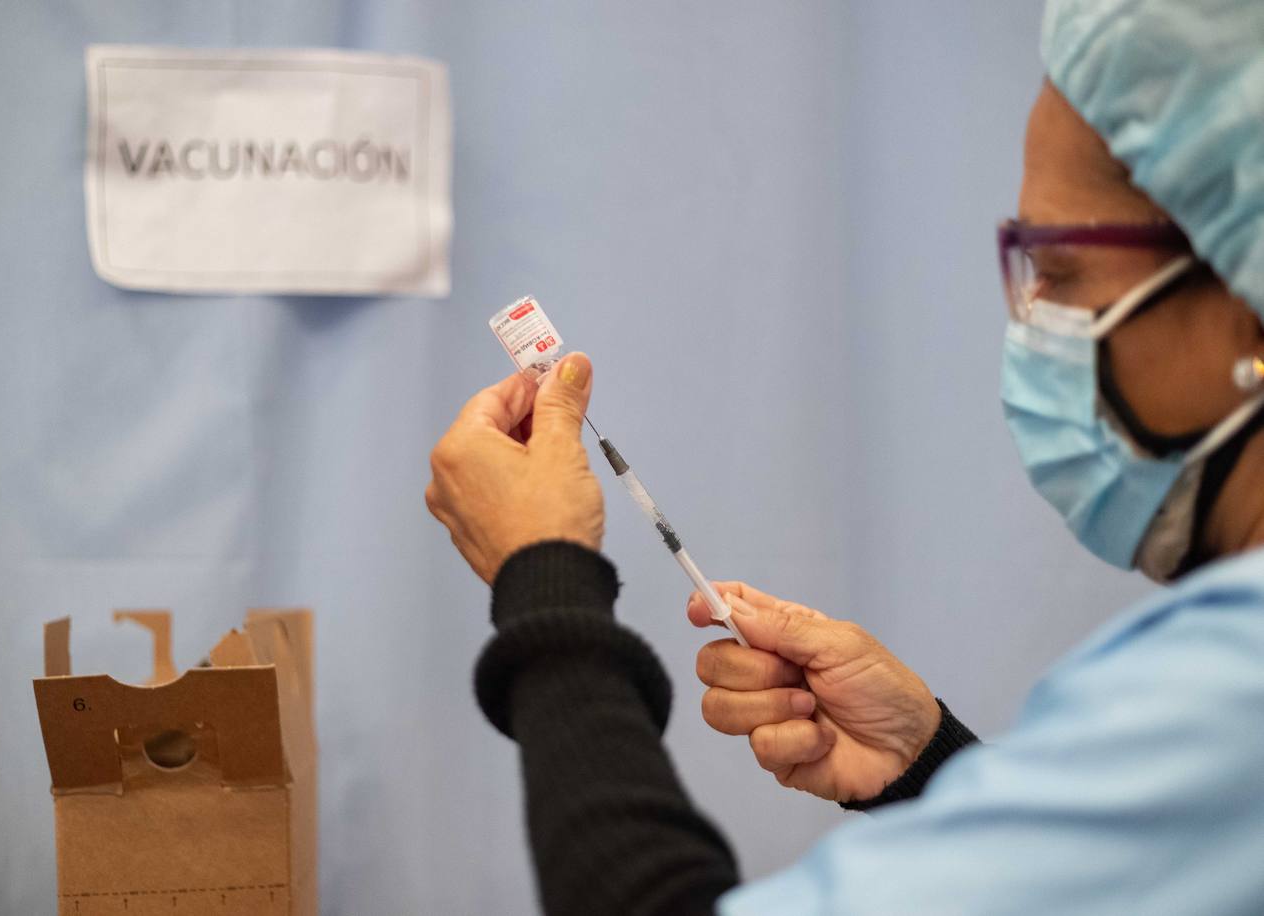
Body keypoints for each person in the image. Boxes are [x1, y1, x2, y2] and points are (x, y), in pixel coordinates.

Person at [425, 1, 1264, 912]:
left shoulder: (1235, 693)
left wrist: (543, 581)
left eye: (1058, 272)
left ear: (1245, 300)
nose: (1031, 325)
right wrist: (930, 769)